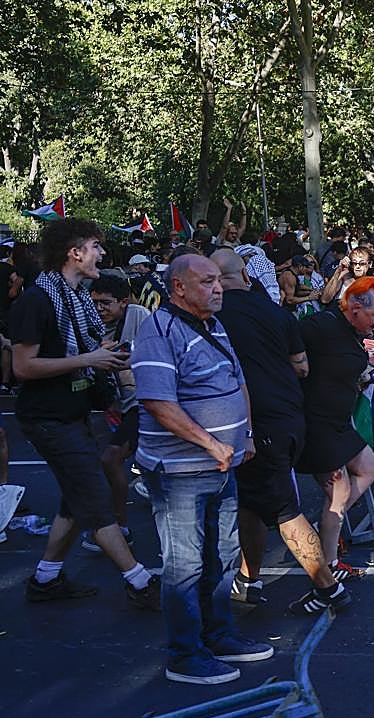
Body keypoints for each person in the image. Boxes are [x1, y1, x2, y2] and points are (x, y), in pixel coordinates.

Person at [133, 253, 273, 684]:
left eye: (218, 280)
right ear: (179, 287)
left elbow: (237, 381)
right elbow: (158, 403)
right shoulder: (158, 331)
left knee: (223, 554)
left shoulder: (214, 324)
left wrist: (244, 435)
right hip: (181, 472)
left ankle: (219, 635)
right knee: (186, 564)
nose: (218, 288)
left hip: (220, 466)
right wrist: (211, 442)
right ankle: (185, 654)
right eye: (208, 281)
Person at [12, 218, 158, 609]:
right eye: (96, 246)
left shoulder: (75, 300)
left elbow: (91, 350)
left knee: (76, 499)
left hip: (73, 412)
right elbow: (23, 367)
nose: (103, 254)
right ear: (74, 253)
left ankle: (46, 578)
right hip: (47, 417)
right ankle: (140, 582)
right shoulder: (37, 300)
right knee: (94, 494)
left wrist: (112, 358)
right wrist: (88, 359)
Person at [209, 248, 351, 615]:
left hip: (258, 422)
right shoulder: (275, 312)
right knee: (252, 504)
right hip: (289, 415)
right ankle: (249, 579)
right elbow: (301, 366)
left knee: (284, 508)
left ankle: (328, 589)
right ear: (246, 276)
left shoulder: (214, 316)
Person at [295, 276, 374, 577]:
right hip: (315, 422)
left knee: (371, 467)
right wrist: (297, 366)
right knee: (339, 491)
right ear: (356, 307)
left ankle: (330, 528)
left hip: (337, 421)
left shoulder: (352, 331)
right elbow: (285, 338)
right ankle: (329, 565)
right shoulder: (322, 325)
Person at [82, 274, 151, 552]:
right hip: (118, 404)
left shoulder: (140, 316)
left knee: (110, 459)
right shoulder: (94, 323)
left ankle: (120, 526)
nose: (99, 309)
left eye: (105, 303)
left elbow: (153, 353)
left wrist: (114, 356)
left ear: (124, 302)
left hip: (144, 403)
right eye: (95, 302)